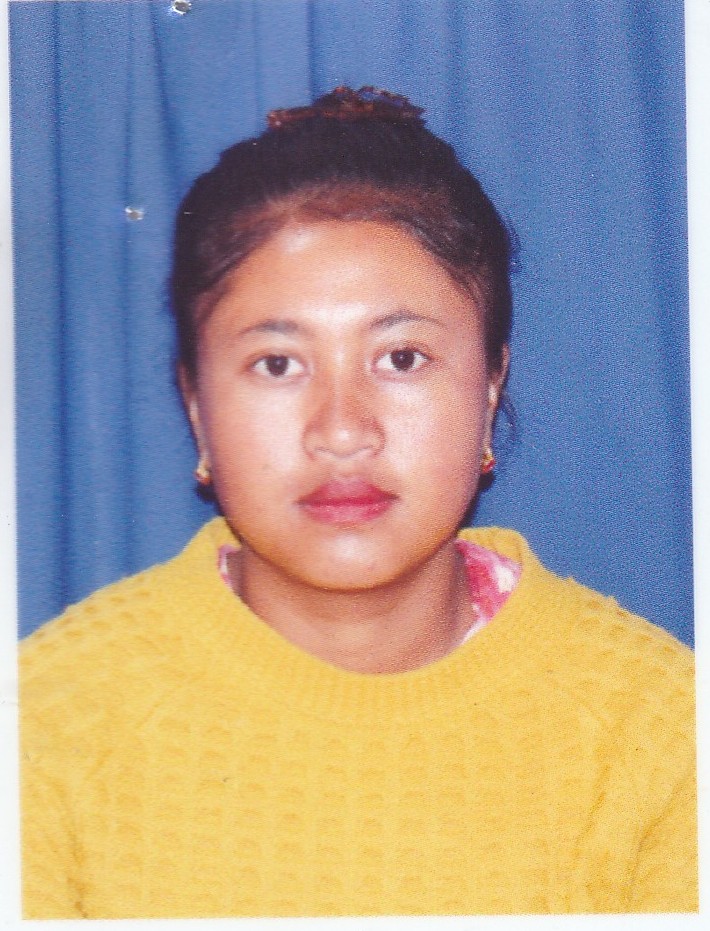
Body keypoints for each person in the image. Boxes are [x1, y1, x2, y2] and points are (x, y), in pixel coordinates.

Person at [20, 86, 697, 918]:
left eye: (401, 357)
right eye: (278, 364)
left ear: (491, 385)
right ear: (196, 405)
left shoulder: (660, 727)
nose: (342, 431)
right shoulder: (47, 717)